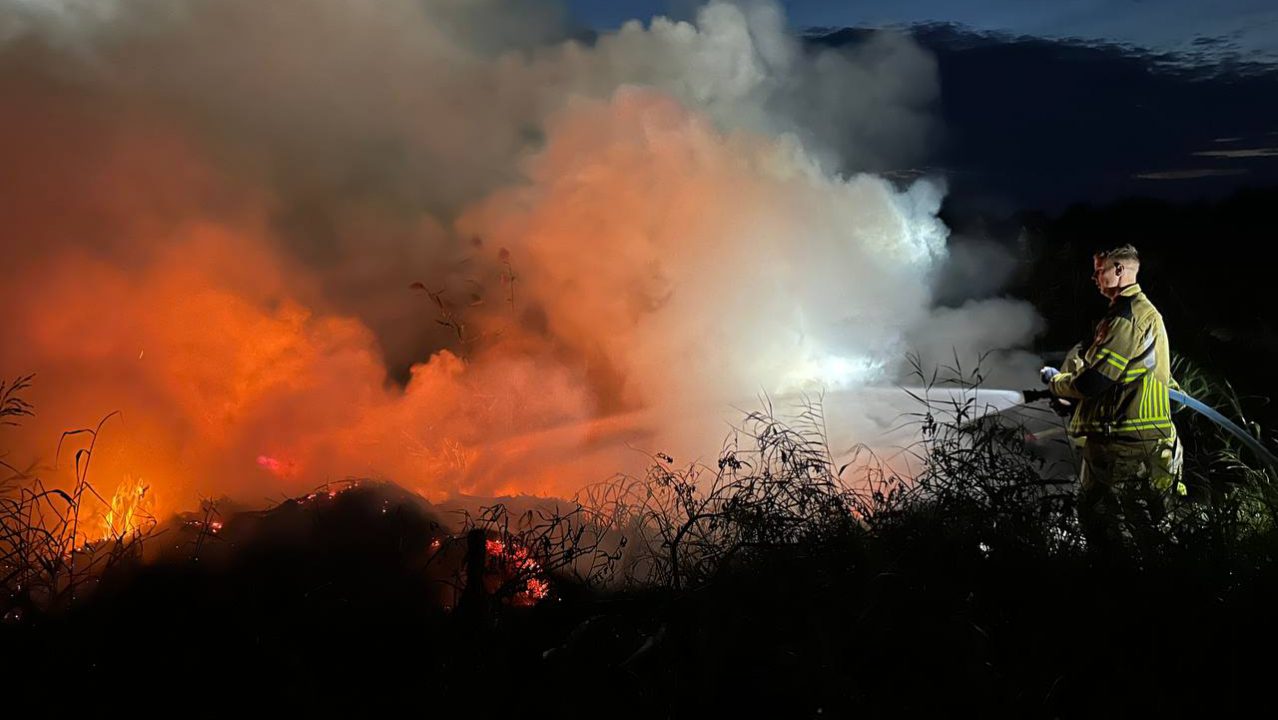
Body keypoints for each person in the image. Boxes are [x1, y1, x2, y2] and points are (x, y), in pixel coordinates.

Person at [1040, 244, 1185, 558]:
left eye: (1099, 269)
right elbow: (1123, 378)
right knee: (1150, 529)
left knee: (1107, 527)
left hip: (1123, 445)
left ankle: (1117, 593)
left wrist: (1057, 384)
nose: (1094, 276)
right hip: (1142, 440)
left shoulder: (1126, 317)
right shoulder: (1141, 313)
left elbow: (1094, 382)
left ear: (1120, 270)